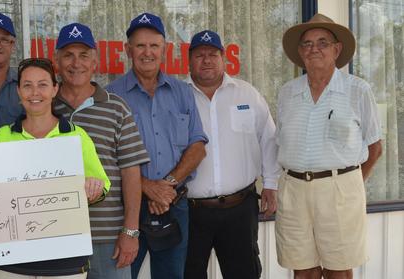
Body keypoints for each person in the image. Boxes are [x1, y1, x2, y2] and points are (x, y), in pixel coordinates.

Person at [276, 13, 382, 279]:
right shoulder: (287, 92)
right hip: (293, 190)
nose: (314, 49)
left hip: (339, 191)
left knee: (339, 271)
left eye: (322, 42)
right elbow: (280, 143)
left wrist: (350, 183)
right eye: (307, 44)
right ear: (300, 52)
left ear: (337, 49)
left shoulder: (358, 90)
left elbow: (375, 148)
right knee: (303, 271)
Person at [106, 12, 208, 279]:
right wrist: (149, 187)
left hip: (173, 204)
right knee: (122, 275)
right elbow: (105, 158)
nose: (147, 52)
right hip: (126, 209)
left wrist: (167, 186)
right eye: (140, 45)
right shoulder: (110, 96)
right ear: (128, 50)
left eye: (154, 45)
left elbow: (198, 145)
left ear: (165, 49)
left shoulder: (182, 92)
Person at [0, 57, 110, 279]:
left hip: (64, 263)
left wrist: (94, 188)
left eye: (43, 85)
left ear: (55, 89)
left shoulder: (76, 136)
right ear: (18, 91)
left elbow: (101, 185)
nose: (35, 92)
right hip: (10, 263)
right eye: (27, 85)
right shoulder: (2, 137)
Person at [52, 23, 150, 279]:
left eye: (84, 55)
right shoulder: (43, 107)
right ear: (57, 61)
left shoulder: (117, 108)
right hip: (56, 237)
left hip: (109, 241)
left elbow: (131, 171)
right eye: (68, 55)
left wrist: (130, 231)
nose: (76, 63)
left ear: (95, 61)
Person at [183, 30, 280, 279]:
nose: (206, 60)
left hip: (240, 208)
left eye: (213, 54)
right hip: (190, 210)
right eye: (199, 55)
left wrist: (271, 184)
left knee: (244, 274)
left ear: (223, 58)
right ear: (189, 60)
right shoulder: (177, 96)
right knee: (189, 274)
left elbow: (269, 139)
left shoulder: (247, 94)